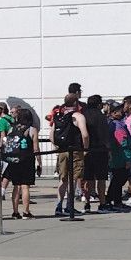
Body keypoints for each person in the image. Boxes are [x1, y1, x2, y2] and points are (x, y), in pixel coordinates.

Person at [50, 88, 89, 220]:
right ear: (76, 103)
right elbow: (85, 134)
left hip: (62, 150)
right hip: (75, 150)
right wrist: (86, 149)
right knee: (74, 179)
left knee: (63, 179)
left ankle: (59, 206)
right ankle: (69, 206)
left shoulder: (58, 116)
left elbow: (52, 135)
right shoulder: (78, 116)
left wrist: (57, 146)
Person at [2, 107, 37, 217]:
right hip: (27, 159)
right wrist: (39, 162)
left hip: (13, 159)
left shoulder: (12, 128)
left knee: (16, 185)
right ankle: (26, 212)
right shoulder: (31, 129)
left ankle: (15, 211)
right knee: (25, 186)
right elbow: (36, 148)